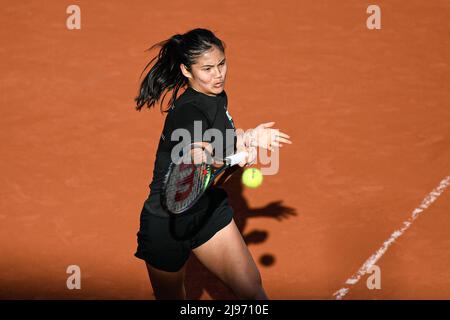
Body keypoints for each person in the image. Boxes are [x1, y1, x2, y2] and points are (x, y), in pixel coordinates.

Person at [133, 28, 291, 300]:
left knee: (251, 289)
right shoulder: (188, 112)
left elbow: (221, 140)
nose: (218, 75)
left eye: (221, 64)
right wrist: (240, 155)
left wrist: (247, 138)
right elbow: (199, 161)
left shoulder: (215, 96)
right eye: (207, 68)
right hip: (167, 221)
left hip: (205, 209)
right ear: (186, 70)